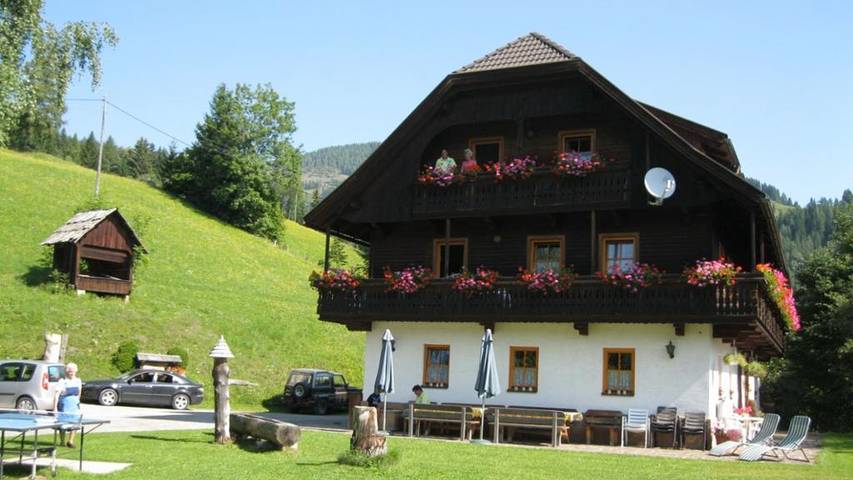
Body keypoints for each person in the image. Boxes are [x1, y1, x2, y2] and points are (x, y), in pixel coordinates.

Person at [54, 362, 82, 448]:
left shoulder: (78, 381)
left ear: (76, 371)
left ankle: (70, 441)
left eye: (73, 370)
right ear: (66, 371)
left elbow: (79, 393)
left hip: (74, 407)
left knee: (75, 424)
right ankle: (62, 441)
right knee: (62, 424)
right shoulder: (62, 381)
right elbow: (56, 395)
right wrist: (55, 407)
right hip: (64, 406)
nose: (71, 372)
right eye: (69, 370)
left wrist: (77, 402)